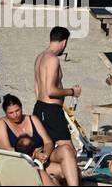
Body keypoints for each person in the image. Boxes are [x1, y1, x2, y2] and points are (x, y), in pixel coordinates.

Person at [0, 93, 79, 186]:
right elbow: (8, 150)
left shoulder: (32, 119)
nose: (15, 115)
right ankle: (53, 180)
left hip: (42, 158)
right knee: (73, 172)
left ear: (21, 107)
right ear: (6, 113)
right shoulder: (1, 123)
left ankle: (55, 180)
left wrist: (45, 154)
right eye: (11, 113)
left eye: (17, 110)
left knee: (66, 149)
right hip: (22, 164)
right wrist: (35, 155)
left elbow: (48, 141)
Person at [33, 26, 80, 162]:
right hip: (52, 111)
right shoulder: (53, 59)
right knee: (70, 152)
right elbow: (51, 91)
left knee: (44, 146)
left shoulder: (40, 57)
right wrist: (72, 92)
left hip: (39, 107)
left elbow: (37, 88)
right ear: (64, 42)